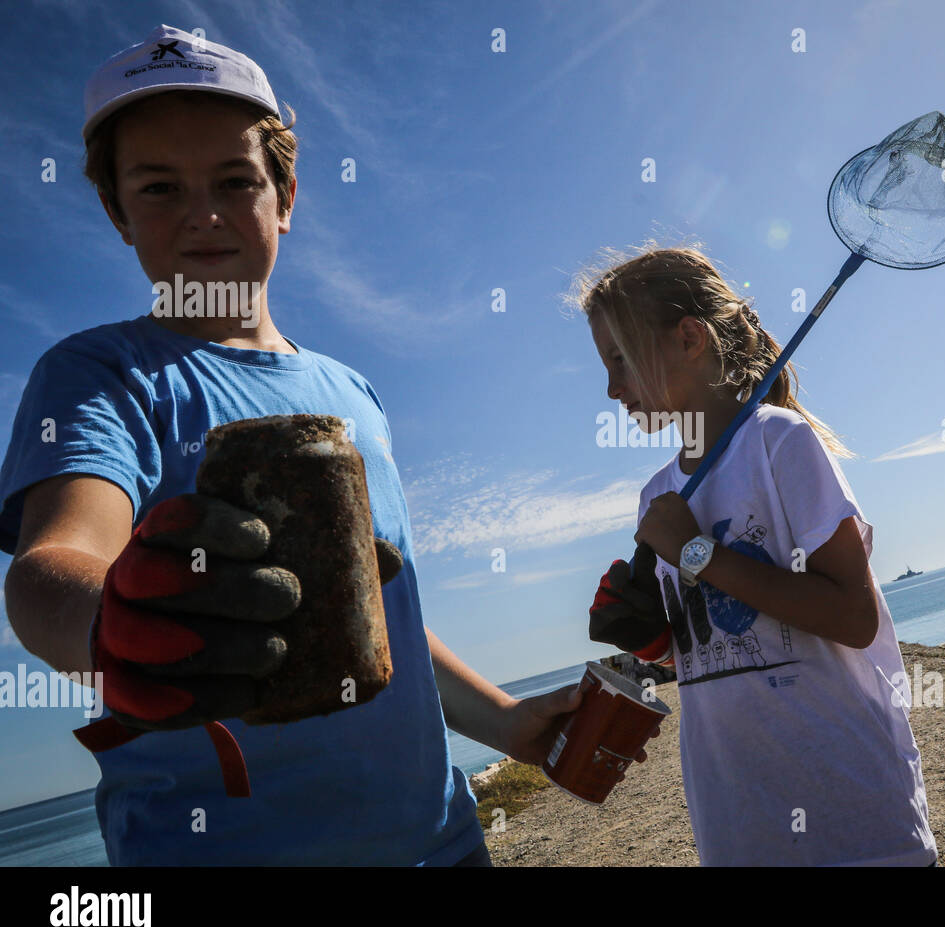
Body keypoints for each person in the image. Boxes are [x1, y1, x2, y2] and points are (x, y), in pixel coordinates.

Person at [0, 24, 610, 866]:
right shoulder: (101, 374)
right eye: (159, 188)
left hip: (441, 842)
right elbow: (50, 567)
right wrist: (112, 624)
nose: (203, 215)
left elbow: (375, 609)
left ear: (286, 197)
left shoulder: (354, 392)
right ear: (115, 211)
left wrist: (505, 720)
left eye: (235, 181)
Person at [581, 245, 938, 866]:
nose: (613, 387)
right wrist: (648, 640)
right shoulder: (655, 496)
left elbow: (853, 618)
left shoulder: (779, 443)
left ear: (690, 337)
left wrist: (696, 550)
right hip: (739, 825)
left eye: (621, 358)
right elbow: (712, 648)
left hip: (855, 819)